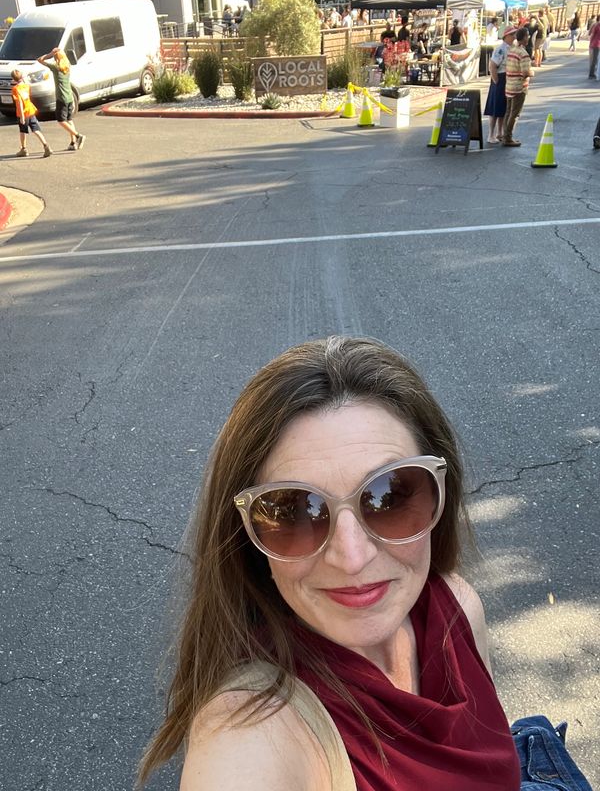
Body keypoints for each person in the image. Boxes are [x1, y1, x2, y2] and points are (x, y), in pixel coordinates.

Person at [138, 336, 594, 791]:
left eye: (390, 497)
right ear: (244, 535)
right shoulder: (252, 732)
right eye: (293, 510)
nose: (352, 558)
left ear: (441, 495)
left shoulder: (457, 606)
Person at [37, 48, 86, 151]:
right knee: (69, 119)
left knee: (60, 120)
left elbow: (40, 60)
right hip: (69, 97)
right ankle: (73, 143)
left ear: (56, 58)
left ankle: (78, 136)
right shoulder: (67, 66)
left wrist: (49, 54)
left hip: (61, 98)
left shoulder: (56, 67)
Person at [484, 26, 517, 143]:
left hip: (507, 78)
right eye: (512, 34)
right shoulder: (500, 49)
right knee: (495, 107)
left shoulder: (512, 48)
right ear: (506, 36)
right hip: (500, 78)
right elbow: (492, 65)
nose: (514, 37)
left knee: (503, 107)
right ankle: (491, 134)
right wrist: (496, 80)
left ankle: (499, 132)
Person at [10, 69, 52, 158]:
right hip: (31, 110)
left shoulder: (15, 89)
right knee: (36, 129)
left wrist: (21, 116)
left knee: (22, 131)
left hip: (23, 113)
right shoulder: (26, 86)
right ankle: (46, 145)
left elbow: (19, 103)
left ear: (13, 79)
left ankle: (23, 149)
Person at [504, 27, 534, 147]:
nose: (529, 38)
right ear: (524, 38)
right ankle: (508, 137)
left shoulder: (512, 50)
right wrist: (532, 73)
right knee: (515, 113)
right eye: (528, 36)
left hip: (509, 85)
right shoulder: (523, 54)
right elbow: (525, 72)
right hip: (519, 87)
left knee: (508, 112)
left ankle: (504, 134)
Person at [588, 15, 600, 79]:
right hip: (596, 44)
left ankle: (593, 73)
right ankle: (591, 73)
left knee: (596, 60)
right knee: (594, 59)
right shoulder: (596, 26)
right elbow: (592, 34)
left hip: (597, 44)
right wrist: (591, 43)